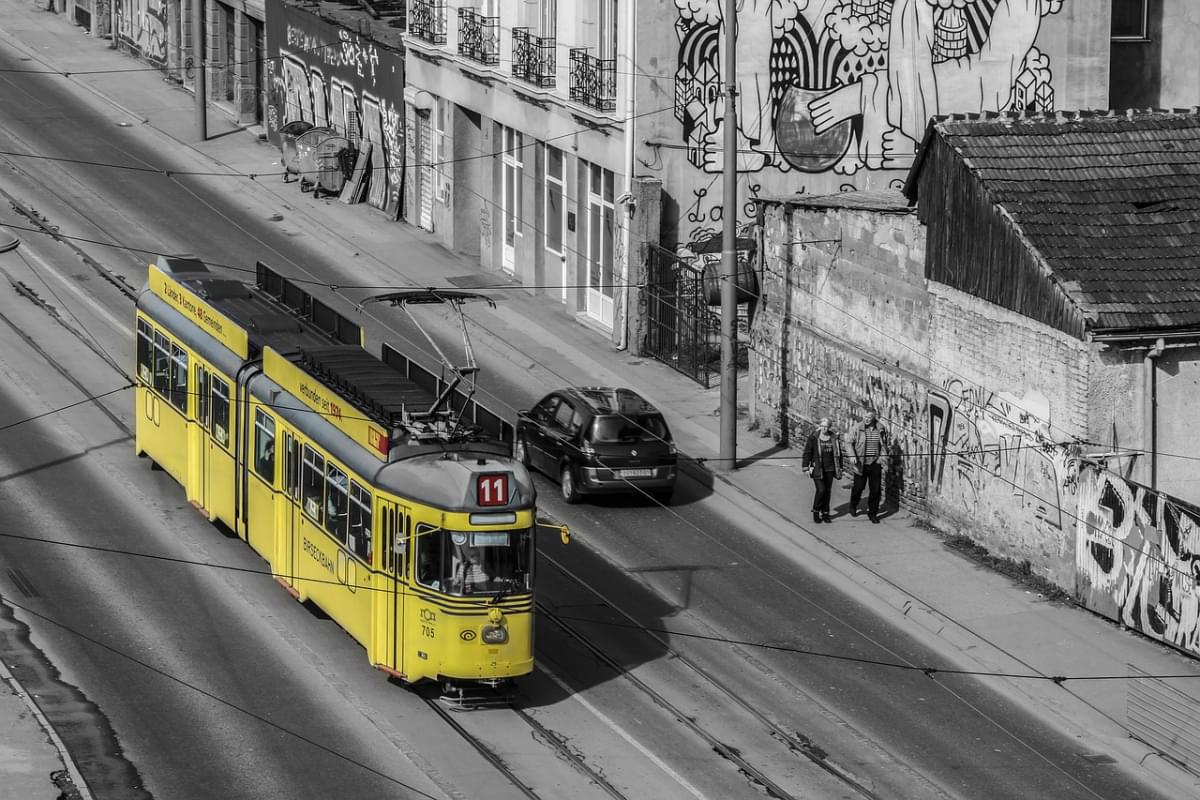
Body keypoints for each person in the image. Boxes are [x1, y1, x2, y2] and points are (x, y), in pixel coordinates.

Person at [848, 408, 891, 523]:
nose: (866, 419)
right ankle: (853, 504)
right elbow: (848, 443)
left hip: (875, 462)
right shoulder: (857, 428)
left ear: (874, 418)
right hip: (861, 463)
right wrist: (852, 455)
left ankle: (872, 513)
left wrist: (883, 457)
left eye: (869, 418)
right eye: (865, 417)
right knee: (858, 488)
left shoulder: (880, 428)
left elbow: (884, 444)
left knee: (875, 490)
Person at [802, 417, 843, 523]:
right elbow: (808, 452)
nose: (824, 429)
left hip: (830, 468)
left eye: (826, 427)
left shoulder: (833, 437)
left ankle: (825, 513)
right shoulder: (814, 437)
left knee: (828, 491)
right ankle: (816, 510)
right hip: (817, 468)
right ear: (820, 426)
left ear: (829, 427)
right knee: (821, 490)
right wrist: (805, 467)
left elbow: (838, 453)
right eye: (822, 426)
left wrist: (840, 466)